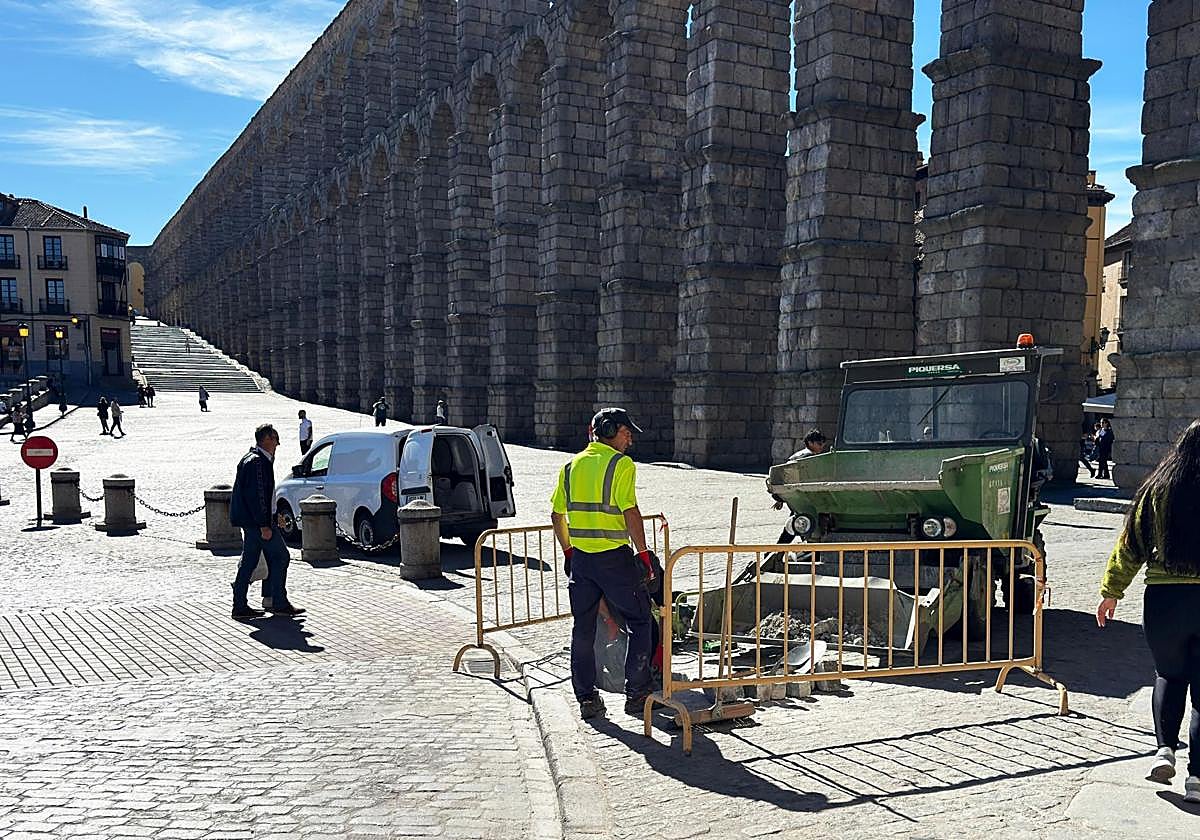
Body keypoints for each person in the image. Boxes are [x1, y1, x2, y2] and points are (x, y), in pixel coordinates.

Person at [1097, 420, 1200, 803]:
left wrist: (1111, 591)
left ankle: (1164, 750)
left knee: (1169, 675)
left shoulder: (1157, 489)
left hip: (1164, 601)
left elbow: (1130, 546)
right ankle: (1198, 780)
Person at [551, 407, 658, 720]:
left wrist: (569, 552)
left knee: (582, 629)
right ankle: (637, 692)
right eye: (627, 433)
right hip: (614, 559)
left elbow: (557, 516)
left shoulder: (570, 467)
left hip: (582, 561)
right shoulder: (620, 464)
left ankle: (586, 698)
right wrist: (644, 554)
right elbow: (630, 512)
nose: (630, 441)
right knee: (640, 621)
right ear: (611, 430)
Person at [229, 423, 305, 620]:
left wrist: (274, 514)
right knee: (281, 557)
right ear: (267, 440)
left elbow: (264, 495)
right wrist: (265, 524)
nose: (278, 445)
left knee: (250, 562)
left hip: (253, 521)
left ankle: (241, 605)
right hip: (258, 523)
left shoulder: (254, 459)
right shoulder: (258, 463)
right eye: (276, 440)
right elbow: (258, 497)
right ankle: (278, 602)